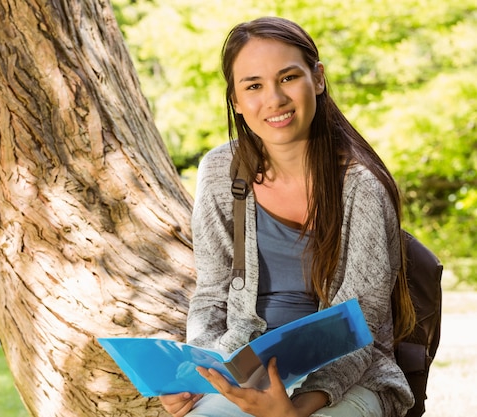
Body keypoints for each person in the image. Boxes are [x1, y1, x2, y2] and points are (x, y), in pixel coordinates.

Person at [159, 16, 416, 417]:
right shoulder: (221, 172)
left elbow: (360, 327)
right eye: (254, 85)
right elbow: (211, 296)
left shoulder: (362, 187)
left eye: (288, 77)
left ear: (318, 79)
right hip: (247, 370)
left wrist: (297, 408)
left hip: (347, 377)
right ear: (236, 101)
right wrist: (199, 375)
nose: (274, 99)